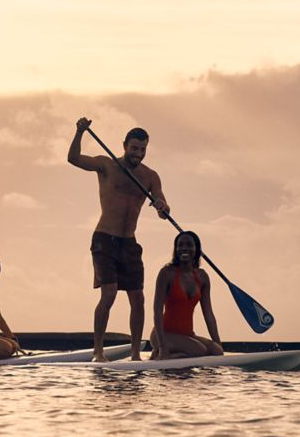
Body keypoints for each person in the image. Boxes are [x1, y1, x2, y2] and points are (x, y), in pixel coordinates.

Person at [67, 118, 170, 361]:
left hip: (129, 242)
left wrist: (162, 207)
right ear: (124, 146)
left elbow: (163, 207)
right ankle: (98, 352)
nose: (138, 154)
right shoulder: (106, 165)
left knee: (138, 298)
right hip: (105, 238)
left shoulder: (150, 176)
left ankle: (135, 354)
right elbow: (73, 159)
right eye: (134, 148)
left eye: (143, 149)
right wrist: (80, 132)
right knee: (109, 294)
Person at [149, 231, 224, 360]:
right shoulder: (167, 273)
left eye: (189, 245)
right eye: (180, 245)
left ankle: (176, 355)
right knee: (199, 350)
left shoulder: (202, 277)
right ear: (176, 249)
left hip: (187, 335)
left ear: (197, 249)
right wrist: (162, 347)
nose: (184, 248)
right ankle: (160, 354)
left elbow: (209, 315)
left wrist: (219, 347)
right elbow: (157, 310)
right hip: (163, 334)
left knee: (216, 351)